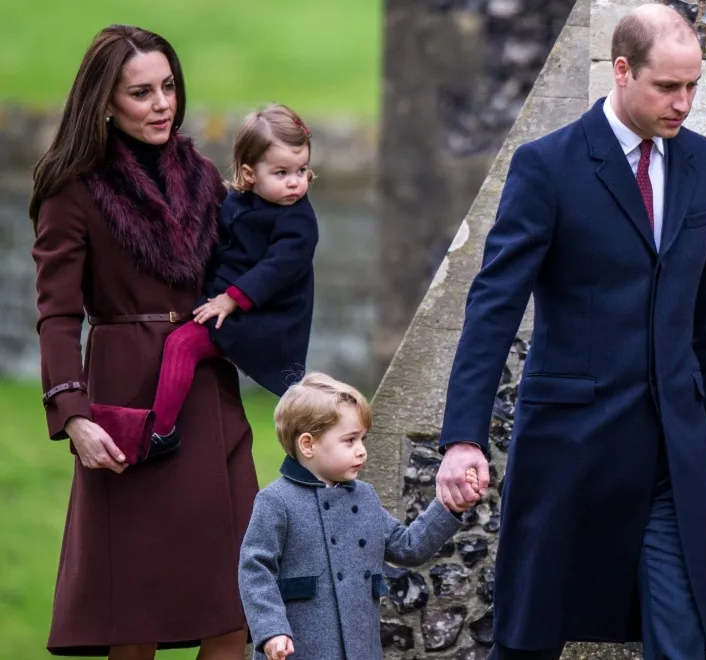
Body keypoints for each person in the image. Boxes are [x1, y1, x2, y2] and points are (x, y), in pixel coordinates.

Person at [434, 5, 706, 659]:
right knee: (526, 640)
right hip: (568, 447)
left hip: (672, 454)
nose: (683, 102)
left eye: (693, 85)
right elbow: (493, 306)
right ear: (622, 71)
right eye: (668, 86)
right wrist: (462, 437)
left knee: (684, 642)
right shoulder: (547, 166)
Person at [31, 25, 257, 659]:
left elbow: (247, 270)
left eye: (168, 87)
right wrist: (72, 415)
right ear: (106, 101)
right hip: (129, 408)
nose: (162, 104)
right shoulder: (71, 190)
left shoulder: (205, 177)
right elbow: (55, 316)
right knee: (132, 615)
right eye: (141, 92)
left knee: (233, 601)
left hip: (209, 398)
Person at [238, 372, 464, 660]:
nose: (362, 451)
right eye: (350, 440)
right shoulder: (276, 501)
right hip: (299, 651)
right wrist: (271, 630)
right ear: (308, 445)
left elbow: (408, 546)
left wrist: (450, 504)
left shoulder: (365, 497)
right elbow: (255, 569)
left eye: (363, 439)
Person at [149, 103, 319, 444]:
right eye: (281, 173)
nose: (294, 183)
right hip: (228, 304)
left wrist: (231, 299)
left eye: (301, 170)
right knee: (175, 340)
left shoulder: (298, 220)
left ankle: (159, 431)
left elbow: (278, 268)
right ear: (250, 172)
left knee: (182, 345)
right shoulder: (236, 202)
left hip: (265, 318)